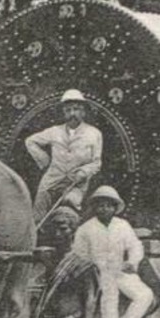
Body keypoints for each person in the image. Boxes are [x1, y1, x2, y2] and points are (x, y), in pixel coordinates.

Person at [70, 185, 154, 318]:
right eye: (100, 205)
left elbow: (135, 246)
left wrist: (131, 262)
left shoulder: (122, 226)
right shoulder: (86, 229)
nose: (104, 209)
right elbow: (78, 255)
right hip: (97, 273)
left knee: (145, 295)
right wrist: (90, 271)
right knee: (109, 299)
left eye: (109, 205)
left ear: (115, 208)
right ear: (94, 208)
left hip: (119, 270)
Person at [25, 89, 103, 222]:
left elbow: (96, 162)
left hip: (76, 182)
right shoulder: (54, 131)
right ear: (64, 113)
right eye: (68, 110)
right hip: (52, 180)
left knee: (69, 206)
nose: (72, 114)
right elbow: (30, 141)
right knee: (38, 213)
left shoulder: (94, 133)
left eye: (76, 109)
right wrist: (44, 160)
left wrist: (84, 172)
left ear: (83, 112)